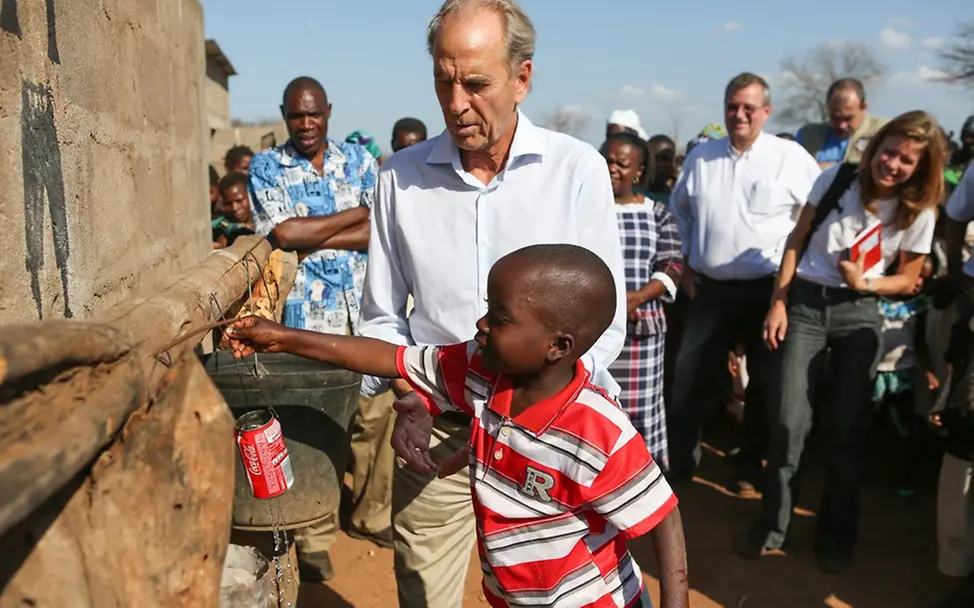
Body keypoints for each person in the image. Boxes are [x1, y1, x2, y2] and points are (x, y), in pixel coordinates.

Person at [225, 244, 689, 608]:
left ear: (557, 346)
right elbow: (389, 358)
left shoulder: (598, 430)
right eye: (488, 308)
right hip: (514, 597)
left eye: (500, 318)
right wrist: (282, 336)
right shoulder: (479, 371)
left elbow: (662, 517)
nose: (481, 323)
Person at [357, 1, 628, 605]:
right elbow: (381, 315)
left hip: (548, 440)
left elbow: (603, 323)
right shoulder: (398, 179)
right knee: (425, 592)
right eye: (442, 81)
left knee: (549, 593)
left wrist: (546, 415)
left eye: (475, 83)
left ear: (522, 78)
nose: (456, 104)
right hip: (435, 431)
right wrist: (410, 397)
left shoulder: (576, 171)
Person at [740, 110, 945, 573]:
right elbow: (796, 239)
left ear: (921, 167)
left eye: (907, 160)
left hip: (860, 314)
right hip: (807, 305)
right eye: (888, 151)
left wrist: (867, 284)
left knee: (848, 430)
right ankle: (772, 527)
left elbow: (911, 278)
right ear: (874, 147)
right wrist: (779, 300)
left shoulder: (918, 211)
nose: (892, 164)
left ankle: (835, 536)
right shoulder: (836, 180)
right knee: (790, 423)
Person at [248, 76, 394, 582]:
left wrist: (314, 231)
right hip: (304, 323)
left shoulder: (357, 160)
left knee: (376, 421)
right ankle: (313, 537)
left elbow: (382, 231)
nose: (306, 124)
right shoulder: (267, 166)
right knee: (312, 427)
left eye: (314, 114)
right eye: (296, 116)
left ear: (328, 111)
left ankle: (372, 515)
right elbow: (282, 235)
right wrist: (358, 215)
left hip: (364, 316)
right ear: (285, 115)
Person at [668, 73, 821, 492]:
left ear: (766, 112)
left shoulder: (791, 157)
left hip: (769, 291)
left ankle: (749, 467)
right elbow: (679, 213)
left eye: (748, 108)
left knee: (765, 384)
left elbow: (813, 221)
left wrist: (787, 293)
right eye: (732, 106)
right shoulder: (702, 157)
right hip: (709, 289)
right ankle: (679, 465)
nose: (739, 115)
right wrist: (685, 265)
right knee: (690, 377)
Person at [602, 132, 683, 468]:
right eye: (607, 160)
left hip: (640, 334)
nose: (612, 169)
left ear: (638, 171)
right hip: (597, 329)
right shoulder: (587, 209)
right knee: (600, 410)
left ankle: (641, 482)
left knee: (639, 412)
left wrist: (636, 298)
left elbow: (673, 264)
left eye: (621, 163)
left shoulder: (657, 213)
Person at [795, 78, 887, 169]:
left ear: (864, 107)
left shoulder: (884, 133)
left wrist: (834, 170)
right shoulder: (807, 136)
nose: (841, 125)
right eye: (835, 117)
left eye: (848, 118)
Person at [212, 172, 256, 247]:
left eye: (239, 201)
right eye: (228, 203)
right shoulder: (220, 227)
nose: (234, 208)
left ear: (251, 196)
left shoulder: (266, 225)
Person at [646, 134, 678, 204]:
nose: (660, 164)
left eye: (665, 159)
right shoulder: (631, 196)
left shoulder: (678, 200)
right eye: (654, 158)